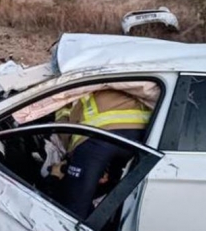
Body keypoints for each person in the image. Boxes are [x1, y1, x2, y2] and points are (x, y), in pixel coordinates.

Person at [56, 89, 151, 220]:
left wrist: (69, 158)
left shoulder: (74, 89)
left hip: (98, 137)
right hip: (142, 135)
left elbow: (66, 130)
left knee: (74, 211)